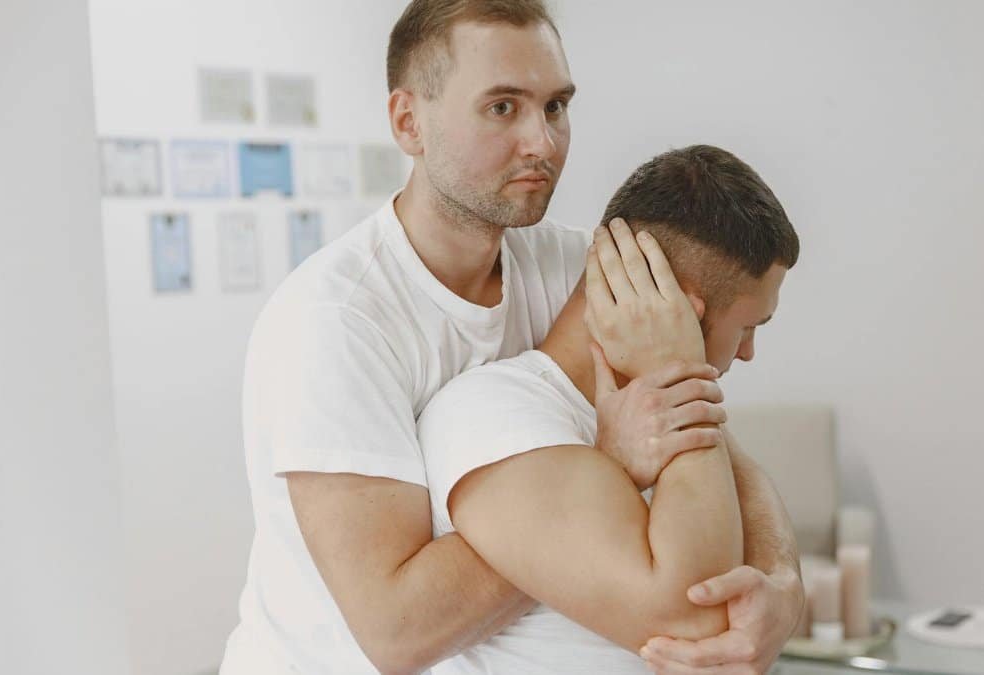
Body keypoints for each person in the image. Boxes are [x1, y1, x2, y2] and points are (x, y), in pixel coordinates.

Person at [221, 1, 803, 673]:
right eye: (503, 107)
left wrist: (782, 586)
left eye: (555, 107)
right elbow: (398, 631)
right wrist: (604, 460)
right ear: (408, 121)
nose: (543, 142)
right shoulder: (335, 324)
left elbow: (708, 432)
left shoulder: (574, 267)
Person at [418, 144, 802, 675]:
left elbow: (750, 483)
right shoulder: (491, 414)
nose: (747, 352)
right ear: (677, 310)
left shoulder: (668, 407)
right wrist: (676, 361)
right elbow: (697, 619)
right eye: (748, 326)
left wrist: (785, 585)